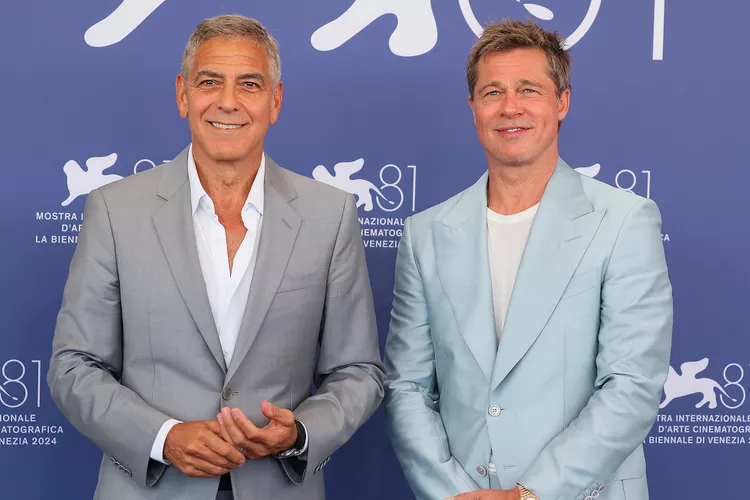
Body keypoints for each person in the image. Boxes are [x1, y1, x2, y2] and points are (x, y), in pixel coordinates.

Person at [48, 15, 384, 500]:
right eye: (210, 82)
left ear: (276, 100)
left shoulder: (329, 214)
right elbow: (74, 365)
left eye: (249, 84)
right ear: (184, 94)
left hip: (278, 486)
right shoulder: (115, 209)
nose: (228, 101)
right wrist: (163, 437)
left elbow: (358, 371)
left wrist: (300, 433)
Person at [384, 20, 672, 500]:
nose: (510, 107)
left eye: (529, 89)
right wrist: (451, 493)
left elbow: (631, 386)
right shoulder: (424, 234)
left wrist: (530, 495)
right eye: (492, 91)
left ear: (562, 102)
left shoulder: (624, 221)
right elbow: (406, 387)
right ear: (472, 106)